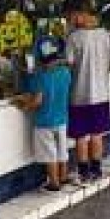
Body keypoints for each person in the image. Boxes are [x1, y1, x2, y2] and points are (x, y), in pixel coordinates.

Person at [62, 0, 110, 183]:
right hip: (101, 96)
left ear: (79, 14)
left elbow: (68, 63)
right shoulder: (105, 35)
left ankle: (83, 172)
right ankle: (97, 170)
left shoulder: (73, 38)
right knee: (97, 134)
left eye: (69, 17)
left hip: (79, 96)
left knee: (81, 136)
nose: (68, 22)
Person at [14, 37, 72, 192]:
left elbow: (38, 100)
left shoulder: (41, 76)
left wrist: (25, 106)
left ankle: (54, 183)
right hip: (62, 119)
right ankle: (64, 176)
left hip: (45, 122)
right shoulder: (65, 72)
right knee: (62, 150)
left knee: (49, 154)